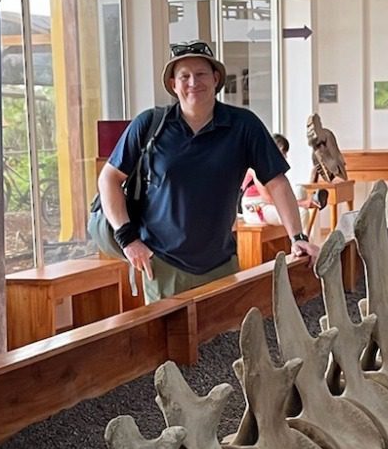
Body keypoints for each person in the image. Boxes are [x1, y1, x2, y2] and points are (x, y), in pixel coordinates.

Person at [92, 43, 313, 301]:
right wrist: (128, 239)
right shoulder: (150, 125)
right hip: (162, 266)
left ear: (216, 79)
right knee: (170, 330)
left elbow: (277, 182)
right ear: (173, 84)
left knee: (229, 327)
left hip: (221, 263)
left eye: (201, 74)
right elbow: (109, 178)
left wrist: (297, 237)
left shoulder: (243, 126)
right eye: (184, 76)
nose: (193, 82)